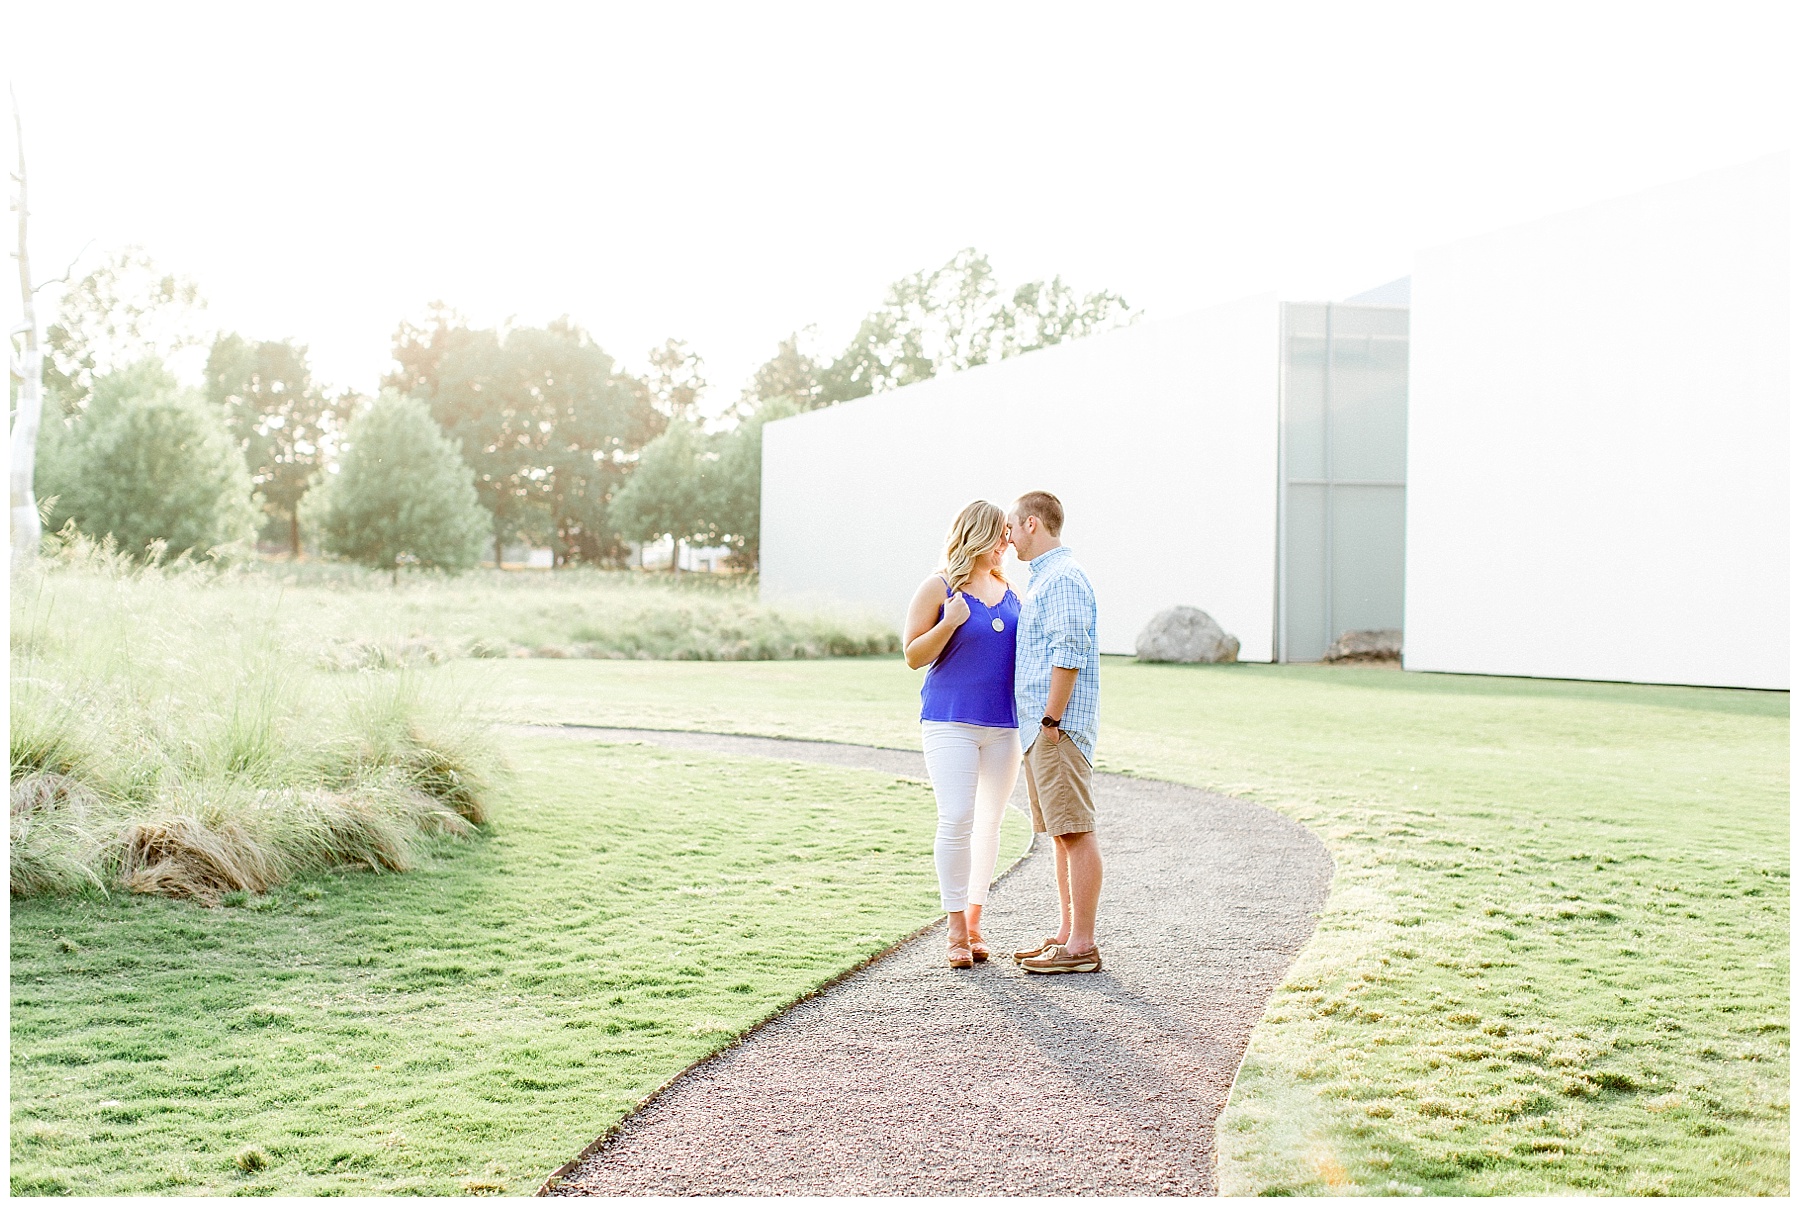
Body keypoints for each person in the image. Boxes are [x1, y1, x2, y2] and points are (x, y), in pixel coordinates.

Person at [902, 500, 1021, 970]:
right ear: (976, 535)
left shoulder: (1010, 591)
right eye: (999, 535)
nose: (1006, 543)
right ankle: (953, 930)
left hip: (1003, 726)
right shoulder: (938, 586)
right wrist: (949, 623)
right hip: (949, 722)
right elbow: (913, 656)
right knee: (956, 817)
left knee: (990, 823)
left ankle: (974, 922)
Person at [1006, 490, 1104, 974]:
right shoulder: (1047, 578)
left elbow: (1069, 650)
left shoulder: (1063, 579)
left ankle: (1081, 946)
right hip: (1044, 730)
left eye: (1010, 527)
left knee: (1076, 832)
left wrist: (1050, 720)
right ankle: (1067, 935)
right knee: (1062, 835)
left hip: (1056, 729)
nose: (1007, 538)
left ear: (1031, 523)